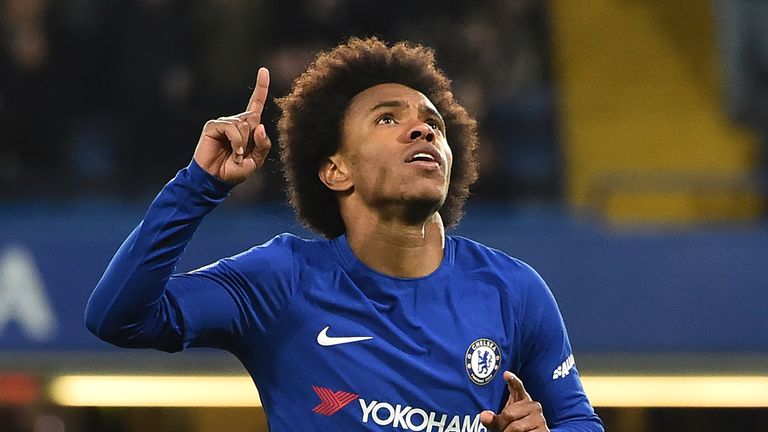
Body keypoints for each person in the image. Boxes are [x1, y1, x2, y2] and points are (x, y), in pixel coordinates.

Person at [85, 37, 603, 432]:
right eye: (387, 119)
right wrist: (197, 186)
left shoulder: (514, 290)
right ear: (335, 170)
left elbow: (579, 422)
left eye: (434, 124)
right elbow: (118, 318)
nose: (424, 130)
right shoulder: (280, 282)